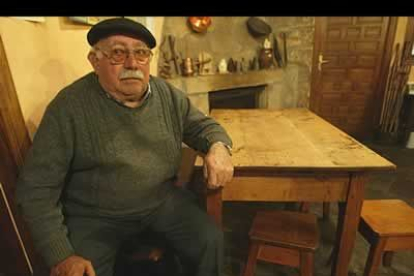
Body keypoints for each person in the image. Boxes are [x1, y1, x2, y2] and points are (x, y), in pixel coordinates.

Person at [16, 17, 234, 276]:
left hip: (160, 202)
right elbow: (36, 189)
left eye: (141, 53)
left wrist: (219, 147)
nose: (132, 63)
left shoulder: (166, 94)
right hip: (95, 216)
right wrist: (61, 255)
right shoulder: (68, 108)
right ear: (95, 61)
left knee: (210, 241)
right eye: (118, 53)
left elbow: (204, 127)